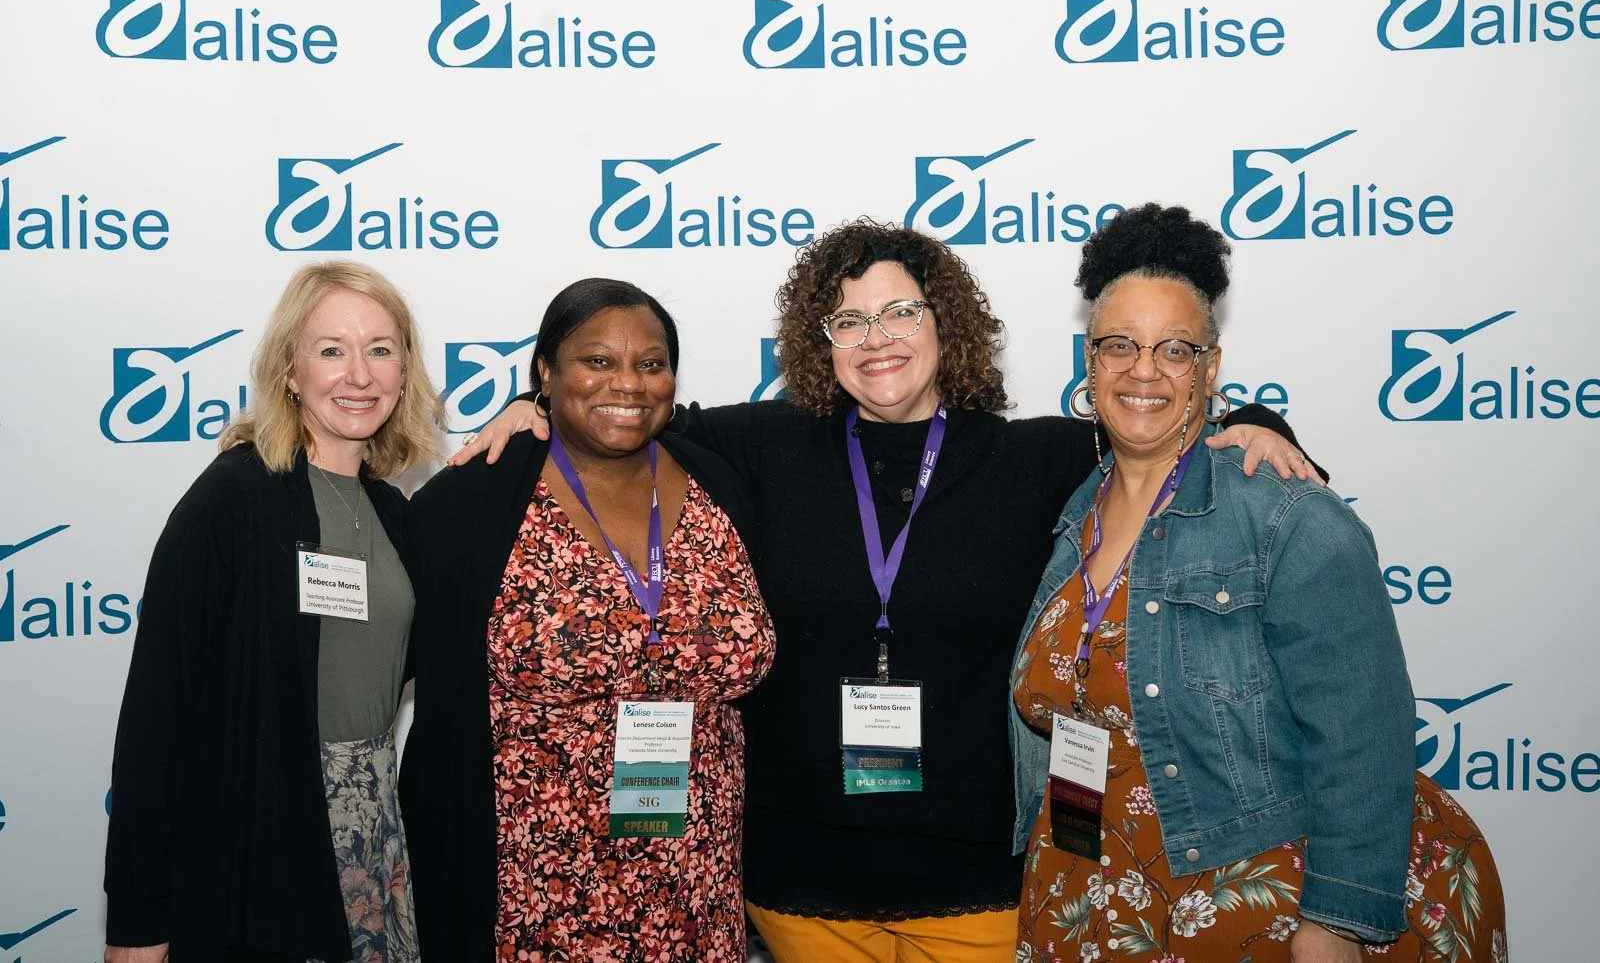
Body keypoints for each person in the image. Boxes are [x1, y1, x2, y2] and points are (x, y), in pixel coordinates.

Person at [461, 220, 1316, 963]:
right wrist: (522, 407)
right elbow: (618, 408)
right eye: (852, 318)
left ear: (947, 323)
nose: (879, 337)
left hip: (977, 884)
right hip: (801, 887)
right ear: (820, 338)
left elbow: (1153, 413)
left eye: (902, 310)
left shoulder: (1033, 458)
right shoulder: (763, 445)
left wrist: (1256, 425)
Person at [1009, 204, 1507, 962]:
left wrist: (1338, 920)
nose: (1144, 370)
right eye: (1120, 345)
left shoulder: (1286, 518)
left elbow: (1363, 733)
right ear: (1090, 359)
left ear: (1210, 366)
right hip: (1088, 891)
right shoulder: (1075, 510)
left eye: (1174, 349)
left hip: (1247, 900)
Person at [400, 278, 774, 962]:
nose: (627, 383)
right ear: (546, 370)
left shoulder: (723, 480)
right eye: (597, 361)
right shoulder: (471, 500)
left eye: (650, 363)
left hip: (699, 890)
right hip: (533, 897)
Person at [104, 261, 439, 963]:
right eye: (331, 349)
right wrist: (138, 917)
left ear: (405, 371)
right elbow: (157, 717)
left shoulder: (394, 511)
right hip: (260, 834)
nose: (359, 374)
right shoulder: (232, 500)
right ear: (289, 369)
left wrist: (534, 411)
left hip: (375, 834)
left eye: (381, 349)